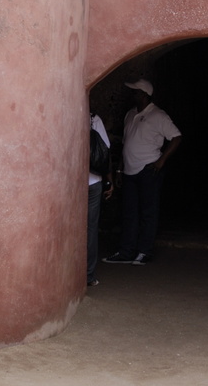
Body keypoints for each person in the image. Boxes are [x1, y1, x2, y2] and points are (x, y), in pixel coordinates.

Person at [103, 79, 182, 266]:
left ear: (145, 95)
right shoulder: (130, 114)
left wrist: (161, 161)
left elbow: (177, 137)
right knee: (129, 213)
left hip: (148, 169)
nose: (133, 95)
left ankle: (144, 251)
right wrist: (120, 169)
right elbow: (126, 143)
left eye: (136, 92)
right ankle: (126, 251)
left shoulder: (158, 115)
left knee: (148, 213)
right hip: (129, 170)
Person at [88, 112, 114, 287]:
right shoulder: (94, 118)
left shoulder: (66, 111)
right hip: (93, 182)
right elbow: (105, 150)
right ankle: (88, 275)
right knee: (90, 229)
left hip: (70, 184)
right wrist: (109, 180)